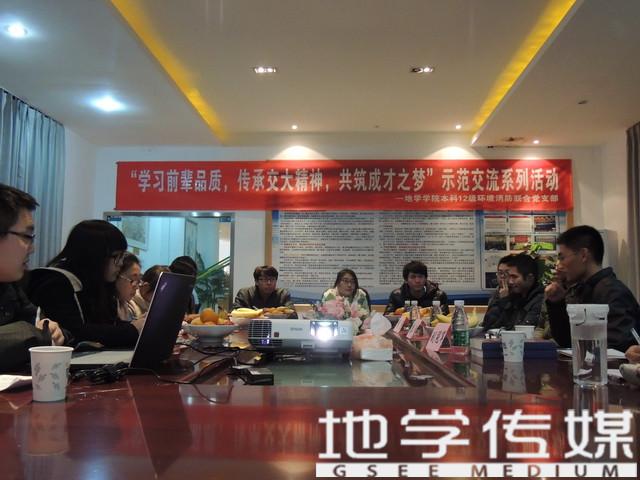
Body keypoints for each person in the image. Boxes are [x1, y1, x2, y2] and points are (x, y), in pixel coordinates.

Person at [27, 220, 141, 348]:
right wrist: (132, 330)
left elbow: (106, 326)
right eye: (116, 256)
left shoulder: (96, 285)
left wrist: (137, 326)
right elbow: (75, 332)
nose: (120, 264)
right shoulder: (55, 283)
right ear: (95, 255)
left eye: (122, 257)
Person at [0, 184, 67, 372]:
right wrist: (34, 335)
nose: (33, 248)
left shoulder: (9, 285)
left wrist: (55, 331)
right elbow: (31, 333)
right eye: (27, 236)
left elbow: (40, 326)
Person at [544, 225, 640, 352]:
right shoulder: (580, 289)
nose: (558, 265)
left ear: (583, 255)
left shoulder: (613, 292)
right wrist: (557, 304)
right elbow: (567, 341)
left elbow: (617, 349)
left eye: (562, 258)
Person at [482, 254, 544, 331]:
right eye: (509, 276)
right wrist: (502, 302)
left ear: (529, 278)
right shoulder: (514, 296)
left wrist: (504, 301)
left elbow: (523, 330)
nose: (510, 281)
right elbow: (488, 326)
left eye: (514, 277)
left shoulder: (540, 300)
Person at [384, 260, 449, 314]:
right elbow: (387, 316)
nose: (417, 281)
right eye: (413, 277)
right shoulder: (397, 295)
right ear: (406, 280)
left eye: (420, 276)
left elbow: (445, 318)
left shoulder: (438, 295)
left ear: (425, 279)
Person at [114, 252, 142, 322]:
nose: (136, 287)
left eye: (138, 281)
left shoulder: (127, 307)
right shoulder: (106, 308)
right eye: (132, 280)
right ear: (116, 276)